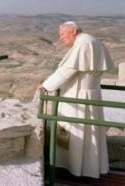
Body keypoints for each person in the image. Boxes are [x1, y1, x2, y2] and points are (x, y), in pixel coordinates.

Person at [37, 21, 114, 178]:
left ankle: (74, 170)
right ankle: (87, 169)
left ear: (73, 32)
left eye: (63, 35)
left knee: (75, 133)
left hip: (79, 96)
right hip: (89, 94)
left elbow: (66, 71)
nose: (61, 39)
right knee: (88, 133)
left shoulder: (83, 43)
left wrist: (45, 86)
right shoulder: (90, 40)